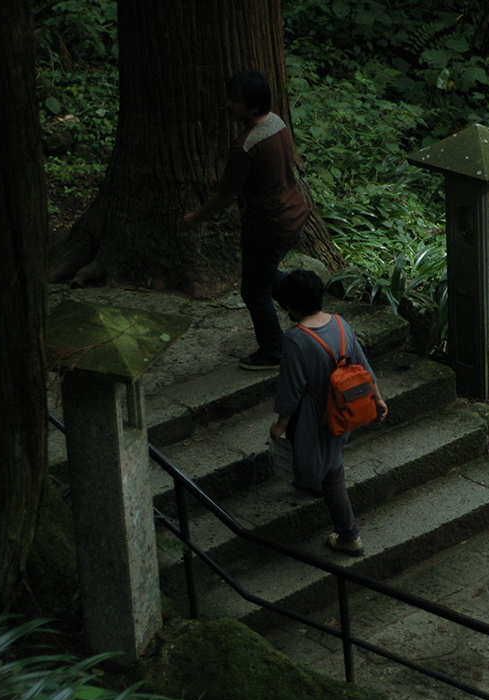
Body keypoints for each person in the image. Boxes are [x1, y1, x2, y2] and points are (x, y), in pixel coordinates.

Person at [183, 70, 310, 370]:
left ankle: (274, 351)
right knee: (266, 275)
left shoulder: (245, 146)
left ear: (252, 107)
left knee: (254, 291)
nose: (227, 104)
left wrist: (195, 217)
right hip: (295, 217)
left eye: (234, 101)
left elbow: (226, 194)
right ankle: (307, 310)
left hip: (269, 228)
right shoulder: (277, 122)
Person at [269, 270, 387, 555]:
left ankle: (350, 537)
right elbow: (364, 367)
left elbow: (292, 389)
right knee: (329, 457)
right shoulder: (340, 323)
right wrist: (379, 400)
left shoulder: (295, 339)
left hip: (317, 415)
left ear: (290, 306)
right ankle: (316, 480)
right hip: (347, 407)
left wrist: (280, 424)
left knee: (333, 471)